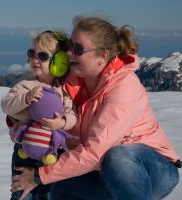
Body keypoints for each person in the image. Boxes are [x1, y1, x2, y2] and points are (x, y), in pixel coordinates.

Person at [10, 16, 181, 200]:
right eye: (69, 46)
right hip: (100, 170)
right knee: (59, 188)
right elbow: (44, 109)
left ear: (103, 56)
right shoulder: (70, 82)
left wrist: (38, 176)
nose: (69, 54)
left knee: (118, 158)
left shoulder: (124, 87)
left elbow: (94, 152)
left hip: (152, 170)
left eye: (78, 49)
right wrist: (22, 123)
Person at [1, 30, 77, 200]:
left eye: (42, 56)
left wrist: (62, 123)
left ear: (60, 62)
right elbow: (6, 105)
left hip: (52, 153)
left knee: (49, 193)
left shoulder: (63, 91)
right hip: (24, 151)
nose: (35, 59)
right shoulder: (25, 85)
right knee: (21, 190)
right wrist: (25, 99)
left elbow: (72, 115)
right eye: (32, 53)